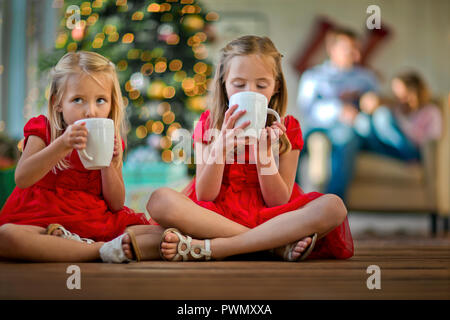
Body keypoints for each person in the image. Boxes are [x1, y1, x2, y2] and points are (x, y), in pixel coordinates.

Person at [147, 35, 354, 262]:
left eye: (261, 85)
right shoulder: (208, 124)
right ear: (224, 84)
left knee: (333, 206)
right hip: (217, 218)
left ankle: (218, 248)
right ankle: (272, 246)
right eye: (239, 84)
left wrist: (264, 157)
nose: (251, 92)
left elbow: (278, 201)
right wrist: (220, 150)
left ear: (276, 87)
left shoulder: (288, 129)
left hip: (272, 218)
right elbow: (205, 194)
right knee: (160, 200)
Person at [0, 51, 164, 262]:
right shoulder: (44, 130)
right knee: (6, 237)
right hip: (43, 218)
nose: (91, 111)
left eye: (101, 100)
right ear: (58, 102)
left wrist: (109, 164)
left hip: (94, 219)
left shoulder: (112, 139)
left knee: (162, 233)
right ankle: (99, 250)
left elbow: (115, 203)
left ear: (112, 103)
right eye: (78, 100)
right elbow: (22, 178)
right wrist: (62, 144)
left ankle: (73, 246)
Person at [296, 27, 379, 201]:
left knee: (346, 139)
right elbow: (307, 108)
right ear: (332, 49)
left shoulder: (366, 78)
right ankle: (289, 200)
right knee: (292, 143)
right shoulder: (314, 76)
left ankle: (334, 203)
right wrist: (338, 110)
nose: (354, 54)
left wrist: (367, 101)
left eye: (356, 48)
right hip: (318, 126)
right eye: (348, 49)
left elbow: (377, 104)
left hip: (349, 128)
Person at [355, 71, 442, 161]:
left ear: (411, 90)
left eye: (398, 88)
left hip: (411, 151)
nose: (394, 92)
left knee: (382, 115)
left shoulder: (431, 111)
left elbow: (433, 138)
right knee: (362, 120)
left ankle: (411, 159)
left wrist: (404, 128)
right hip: (388, 149)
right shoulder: (396, 108)